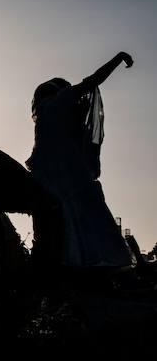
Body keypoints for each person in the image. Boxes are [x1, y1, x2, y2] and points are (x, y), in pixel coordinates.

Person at [26, 51, 135, 269]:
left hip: (44, 171)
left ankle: (71, 260)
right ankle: (101, 260)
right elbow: (93, 80)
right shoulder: (62, 100)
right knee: (90, 212)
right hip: (67, 169)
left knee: (67, 217)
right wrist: (118, 57)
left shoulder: (45, 111)